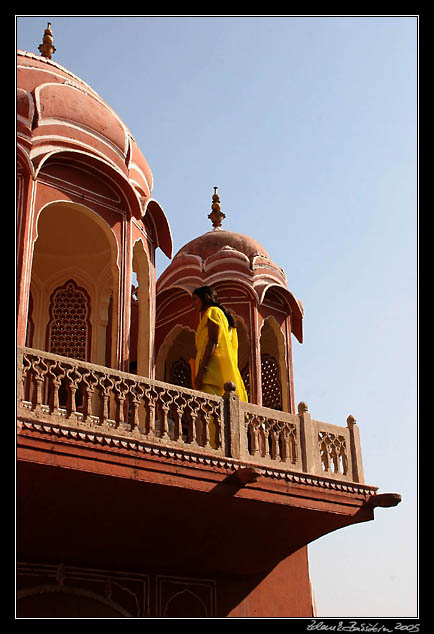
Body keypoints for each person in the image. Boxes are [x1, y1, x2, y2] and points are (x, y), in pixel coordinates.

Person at [191, 286, 248, 404]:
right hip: (217, 371)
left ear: (205, 298)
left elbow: (213, 341)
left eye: (195, 299)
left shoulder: (213, 312)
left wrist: (202, 370)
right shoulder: (221, 315)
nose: (194, 304)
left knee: (212, 414)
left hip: (211, 371)